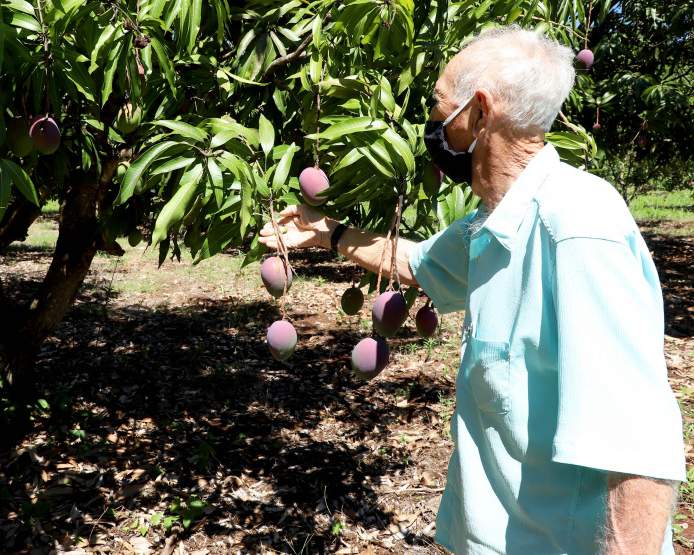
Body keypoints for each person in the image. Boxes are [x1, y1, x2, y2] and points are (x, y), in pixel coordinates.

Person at [260, 25, 686, 555]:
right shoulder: (490, 224)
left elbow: (633, 445)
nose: (433, 123)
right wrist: (328, 234)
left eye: (440, 107)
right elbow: (416, 262)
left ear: (480, 114)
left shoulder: (576, 225)